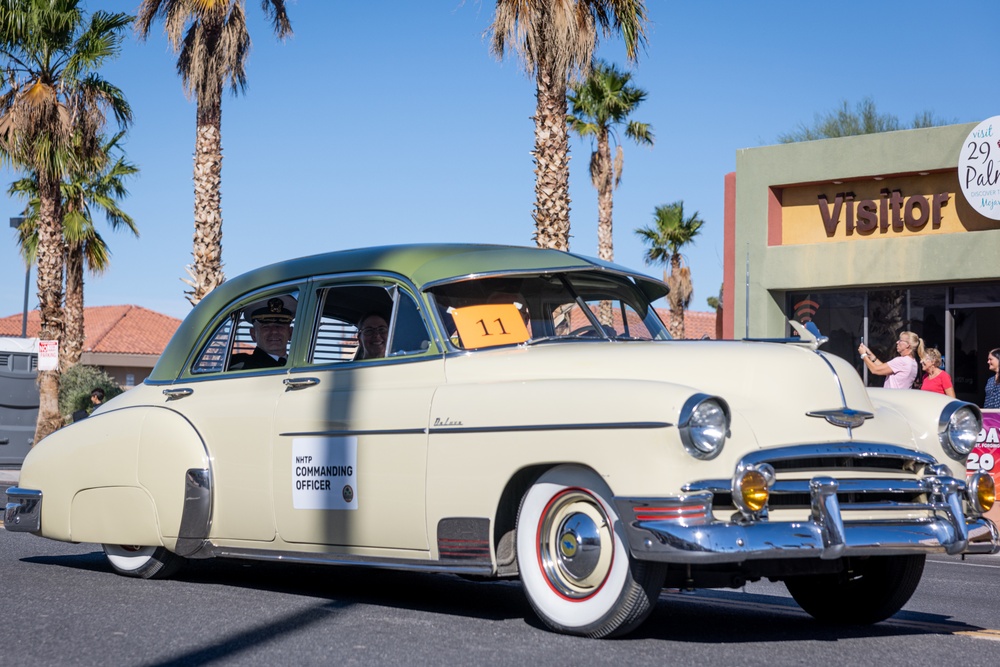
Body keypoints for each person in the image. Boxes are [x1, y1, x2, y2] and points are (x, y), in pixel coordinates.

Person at [229, 296, 295, 370]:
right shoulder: (241, 367)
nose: (274, 331)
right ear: (253, 334)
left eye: (279, 326)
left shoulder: (300, 366)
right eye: (266, 327)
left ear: (290, 332)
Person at [858, 331, 924, 389]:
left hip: (892, 397)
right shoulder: (913, 362)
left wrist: (863, 355)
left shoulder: (901, 361)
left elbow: (875, 370)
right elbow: (884, 368)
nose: (897, 342)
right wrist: (870, 354)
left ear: (907, 345)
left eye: (900, 341)